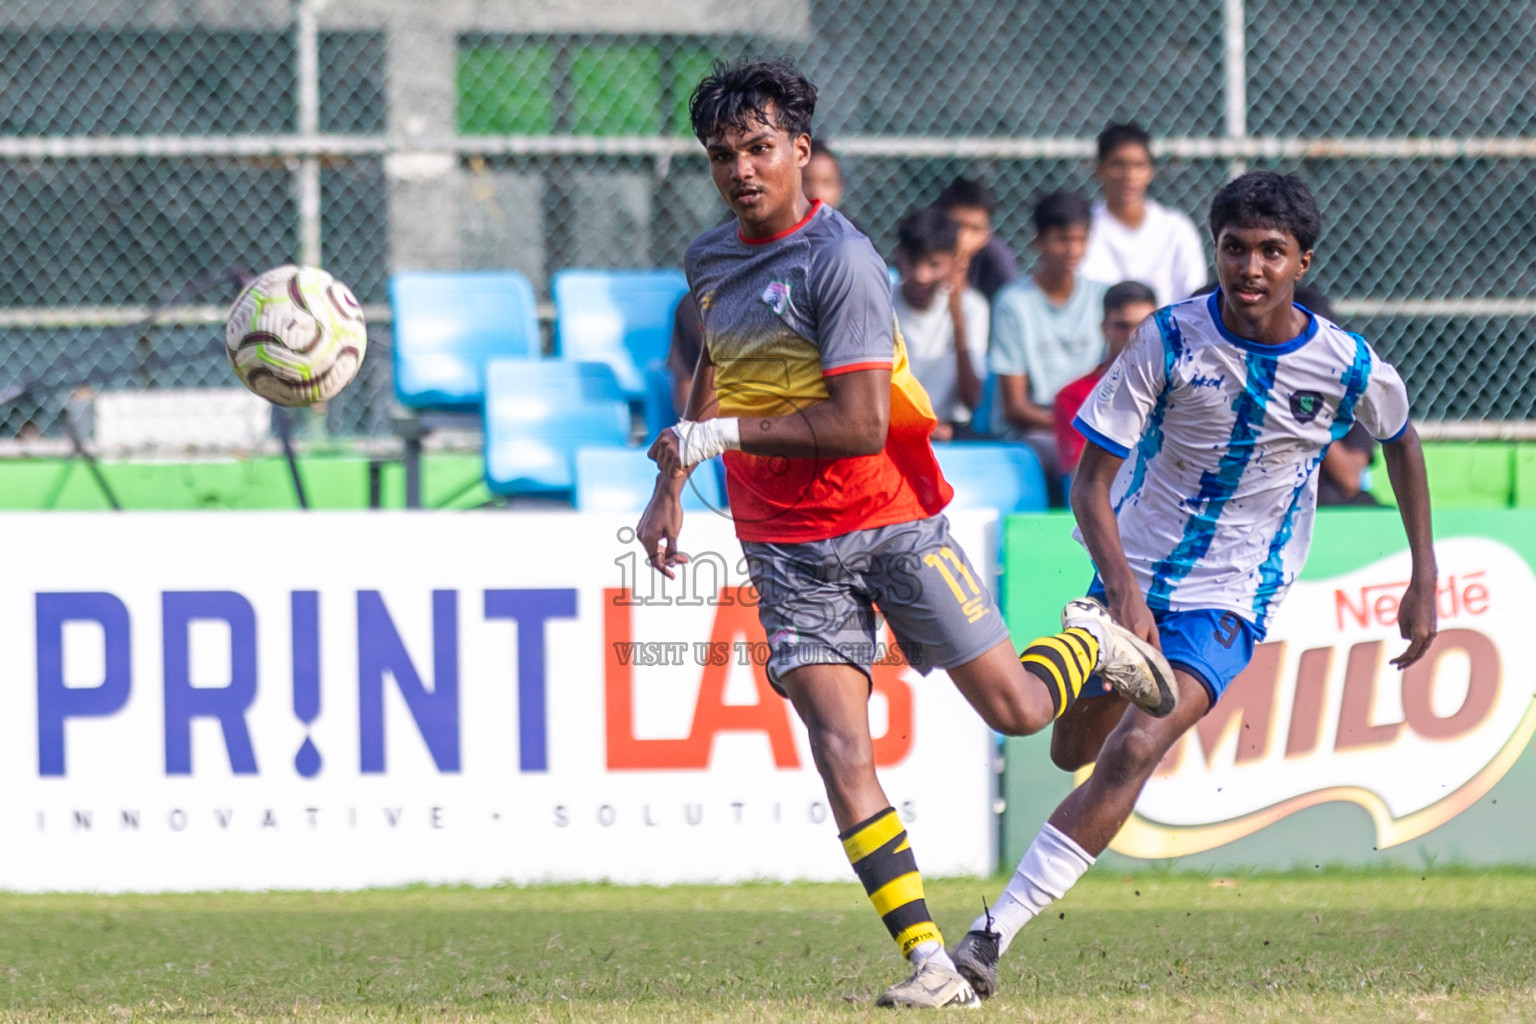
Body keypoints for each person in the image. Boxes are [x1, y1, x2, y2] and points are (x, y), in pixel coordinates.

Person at [637, 56, 1175, 1010]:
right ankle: (930, 961)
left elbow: (857, 423)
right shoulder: (710, 258)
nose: (741, 170)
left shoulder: (841, 261)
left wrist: (712, 435)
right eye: (722, 155)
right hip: (782, 542)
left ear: (800, 150)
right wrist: (673, 484)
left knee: (1017, 713)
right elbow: (719, 357)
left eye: (759, 149)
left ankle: (1091, 638)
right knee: (841, 747)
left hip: (889, 517)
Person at [951, 170, 1438, 1000]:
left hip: (1234, 593)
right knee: (1073, 746)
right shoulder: (1167, 339)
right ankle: (1089, 660)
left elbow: (1400, 439)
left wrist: (1425, 576)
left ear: (1300, 262)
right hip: (1133, 571)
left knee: (1141, 744)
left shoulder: (1344, 362)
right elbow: (1088, 485)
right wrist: (1124, 593)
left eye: (1270, 252)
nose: (1250, 267)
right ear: (1215, 251)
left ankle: (989, 938)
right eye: (1234, 248)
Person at [987, 189, 1106, 486]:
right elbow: (1015, 406)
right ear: (1039, 241)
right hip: (1039, 429)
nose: (1072, 250)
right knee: (1072, 459)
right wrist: (1071, 427)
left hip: (1093, 424)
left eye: (1080, 240)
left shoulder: (1102, 297)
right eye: (1062, 239)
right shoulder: (1013, 303)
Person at [1080, 123, 1207, 306]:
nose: (1129, 175)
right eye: (1118, 164)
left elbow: (1194, 298)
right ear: (1099, 169)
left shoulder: (1176, 228)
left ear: (1150, 172)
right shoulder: (1083, 227)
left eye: (1139, 165)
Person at [891, 206, 986, 440]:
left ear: (955, 262)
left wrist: (958, 321)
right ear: (899, 256)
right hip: (893, 427)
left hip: (951, 429)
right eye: (913, 262)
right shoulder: (881, 302)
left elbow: (972, 399)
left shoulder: (971, 307)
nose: (921, 275)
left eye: (934, 264)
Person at [1052, 281, 1157, 474]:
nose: (1133, 335)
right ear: (1104, 328)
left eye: (1143, 325)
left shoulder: (1180, 388)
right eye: (1122, 326)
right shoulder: (1072, 396)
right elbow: (1082, 475)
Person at [935, 176, 1017, 300]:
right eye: (957, 226)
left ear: (987, 234)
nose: (964, 237)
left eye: (975, 229)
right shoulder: (919, 248)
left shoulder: (997, 260)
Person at [803, 138, 845, 208]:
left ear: (839, 189)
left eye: (826, 183)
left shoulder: (845, 219)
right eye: (806, 182)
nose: (816, 193)